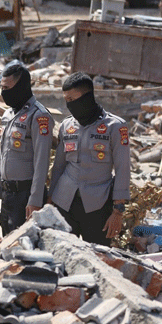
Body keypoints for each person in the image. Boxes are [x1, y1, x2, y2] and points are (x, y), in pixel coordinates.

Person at [48, 72, 130, 246]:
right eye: (66, 100)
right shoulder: (67, 126)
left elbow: (123, 170)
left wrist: (118, 212)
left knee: (99, 257)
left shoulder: (115, 127)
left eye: (72, 99)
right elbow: (59, 166)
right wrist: (51, 201)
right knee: (61, 255)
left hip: (97, 206)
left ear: (87, 97)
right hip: (64, 202)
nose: (69, 104)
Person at [0, 63, 54, 235]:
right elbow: (1, 156)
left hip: (25, 196)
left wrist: (35, 200)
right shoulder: (8, 115)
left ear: (22, 87)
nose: (3, 93)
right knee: (8, 244)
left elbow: (42, 163)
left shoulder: (39, 116)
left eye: (7, 88)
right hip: (7, 194)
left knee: (24, 247)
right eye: (1, 88)